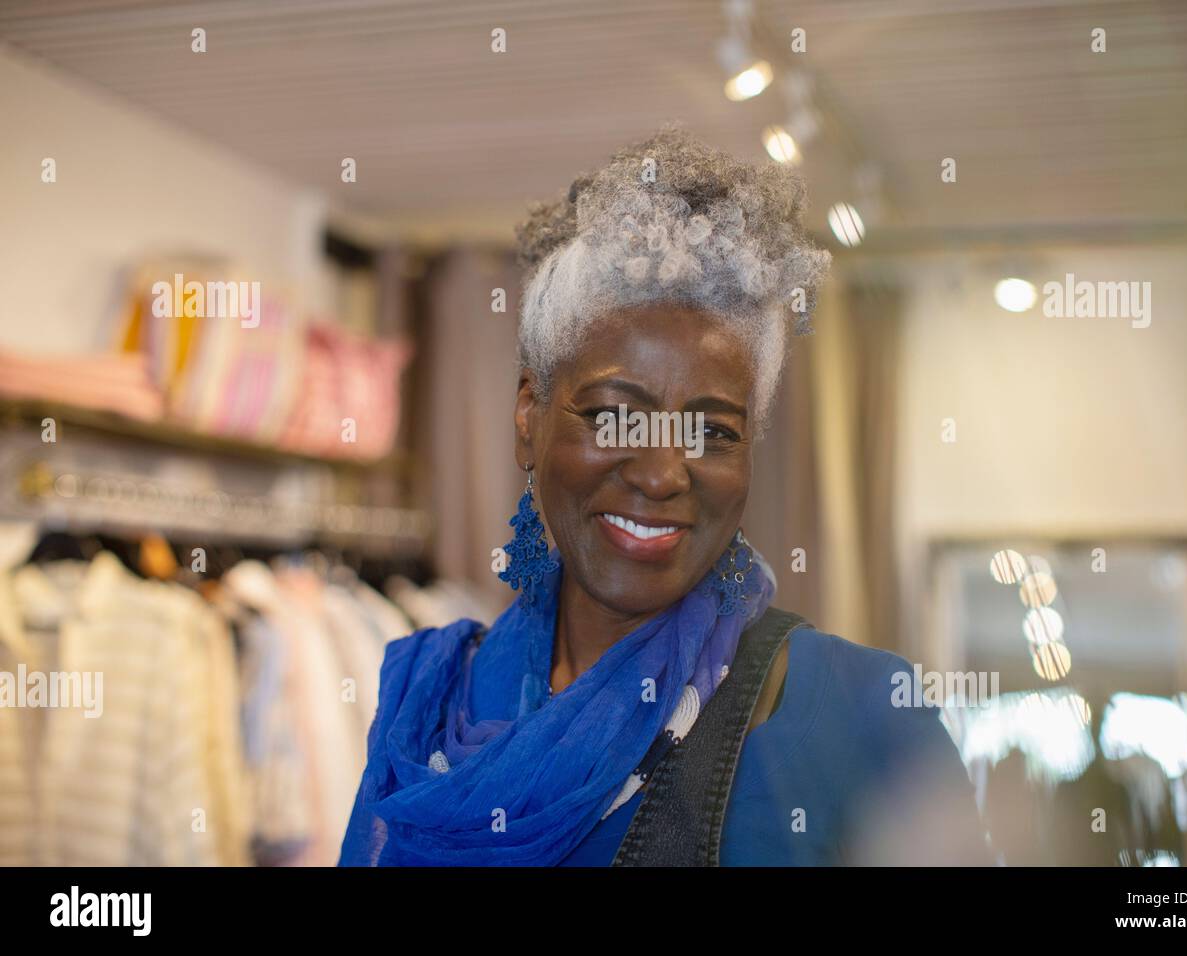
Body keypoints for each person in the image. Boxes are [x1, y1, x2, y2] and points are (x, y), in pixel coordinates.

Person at [339, 126, 987, 866]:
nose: (662, 473)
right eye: (616, 415)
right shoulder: (426, 707)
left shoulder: (867, 713)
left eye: (712, 431)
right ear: (530, 418)